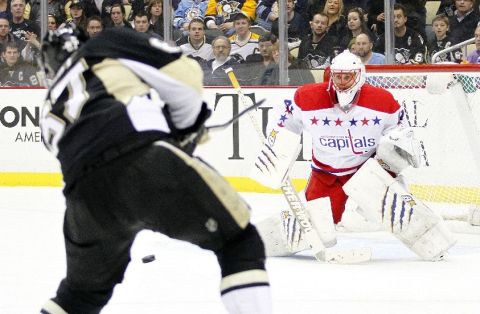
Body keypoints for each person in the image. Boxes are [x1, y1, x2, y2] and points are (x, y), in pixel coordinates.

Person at [38, 25, 272, 314]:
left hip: (82, 202)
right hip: (141, 161)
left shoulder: (48, 106)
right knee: (239, 242)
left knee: (80, 294)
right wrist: (185, 128)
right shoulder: (105, 44)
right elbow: (186, 75)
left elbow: (91, 144)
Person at [253, 50, 456, 261]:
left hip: (366, 169)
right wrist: (277, 145)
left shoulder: (382, 100)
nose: (341, 82)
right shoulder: (307, 96)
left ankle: (435, 245)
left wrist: (393, 160)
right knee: (316, 228)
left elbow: (401, 133)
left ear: (359, 76)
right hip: (326, 173)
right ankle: (255, 242)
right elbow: (283, 121)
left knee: (397, 208)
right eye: (338, 76)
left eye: (347, 77)